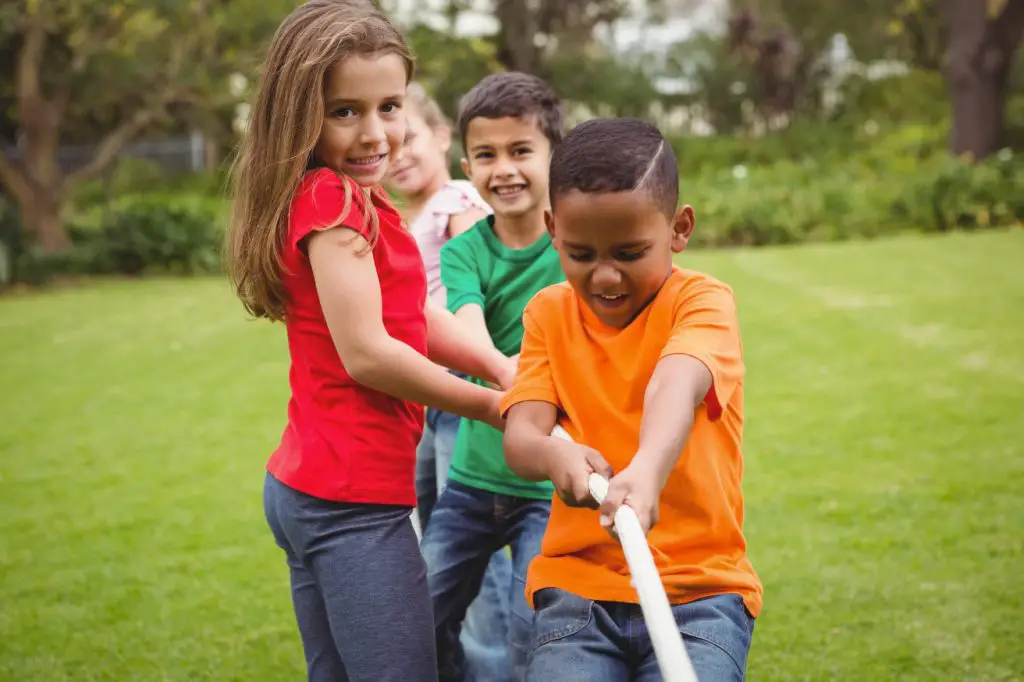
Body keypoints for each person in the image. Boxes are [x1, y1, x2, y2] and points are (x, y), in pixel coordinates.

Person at [224, 3, 514, 681]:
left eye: (389, 106)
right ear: (300, 114)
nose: (375, 132)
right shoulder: (336, 205)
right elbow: (369, 353)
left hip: (311, 484)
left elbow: (410, 315)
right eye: (345, 111)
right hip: (349, 503)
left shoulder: (352, 194)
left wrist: (497, 365)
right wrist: (492, 408)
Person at [501, 117, 763, 682]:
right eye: (581, 253)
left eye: (629, 252)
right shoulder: (547, 313)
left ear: (680, 227)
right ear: (552, 229)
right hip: (578, 591)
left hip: (699, 591)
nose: (605, 276)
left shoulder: (701, 301)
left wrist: (646, 471)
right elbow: (522, 437)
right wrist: (554, 456)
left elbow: (679, 379)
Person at [418, 72, 565, 682]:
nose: (503, 169)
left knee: (534, 629)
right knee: (421, 614)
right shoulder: (465, 250)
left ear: (555, 156)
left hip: (547, 491)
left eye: (520, 151)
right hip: (472, 482)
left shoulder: (574, 248)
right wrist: (509, 378)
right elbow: (467, 321)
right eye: (486, 155)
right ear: (466, 165)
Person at [386, 82, 515, 682]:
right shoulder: (409, 218)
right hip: (427, 397)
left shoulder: (456, 200)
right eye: (391, 146)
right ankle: (456, 660)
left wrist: (480, 362)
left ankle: (490, 665)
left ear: (441, 138)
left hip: (458, 396)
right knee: (437, 537)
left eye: (410, 137)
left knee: (467, 539)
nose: (400, 153)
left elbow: (474, 284)